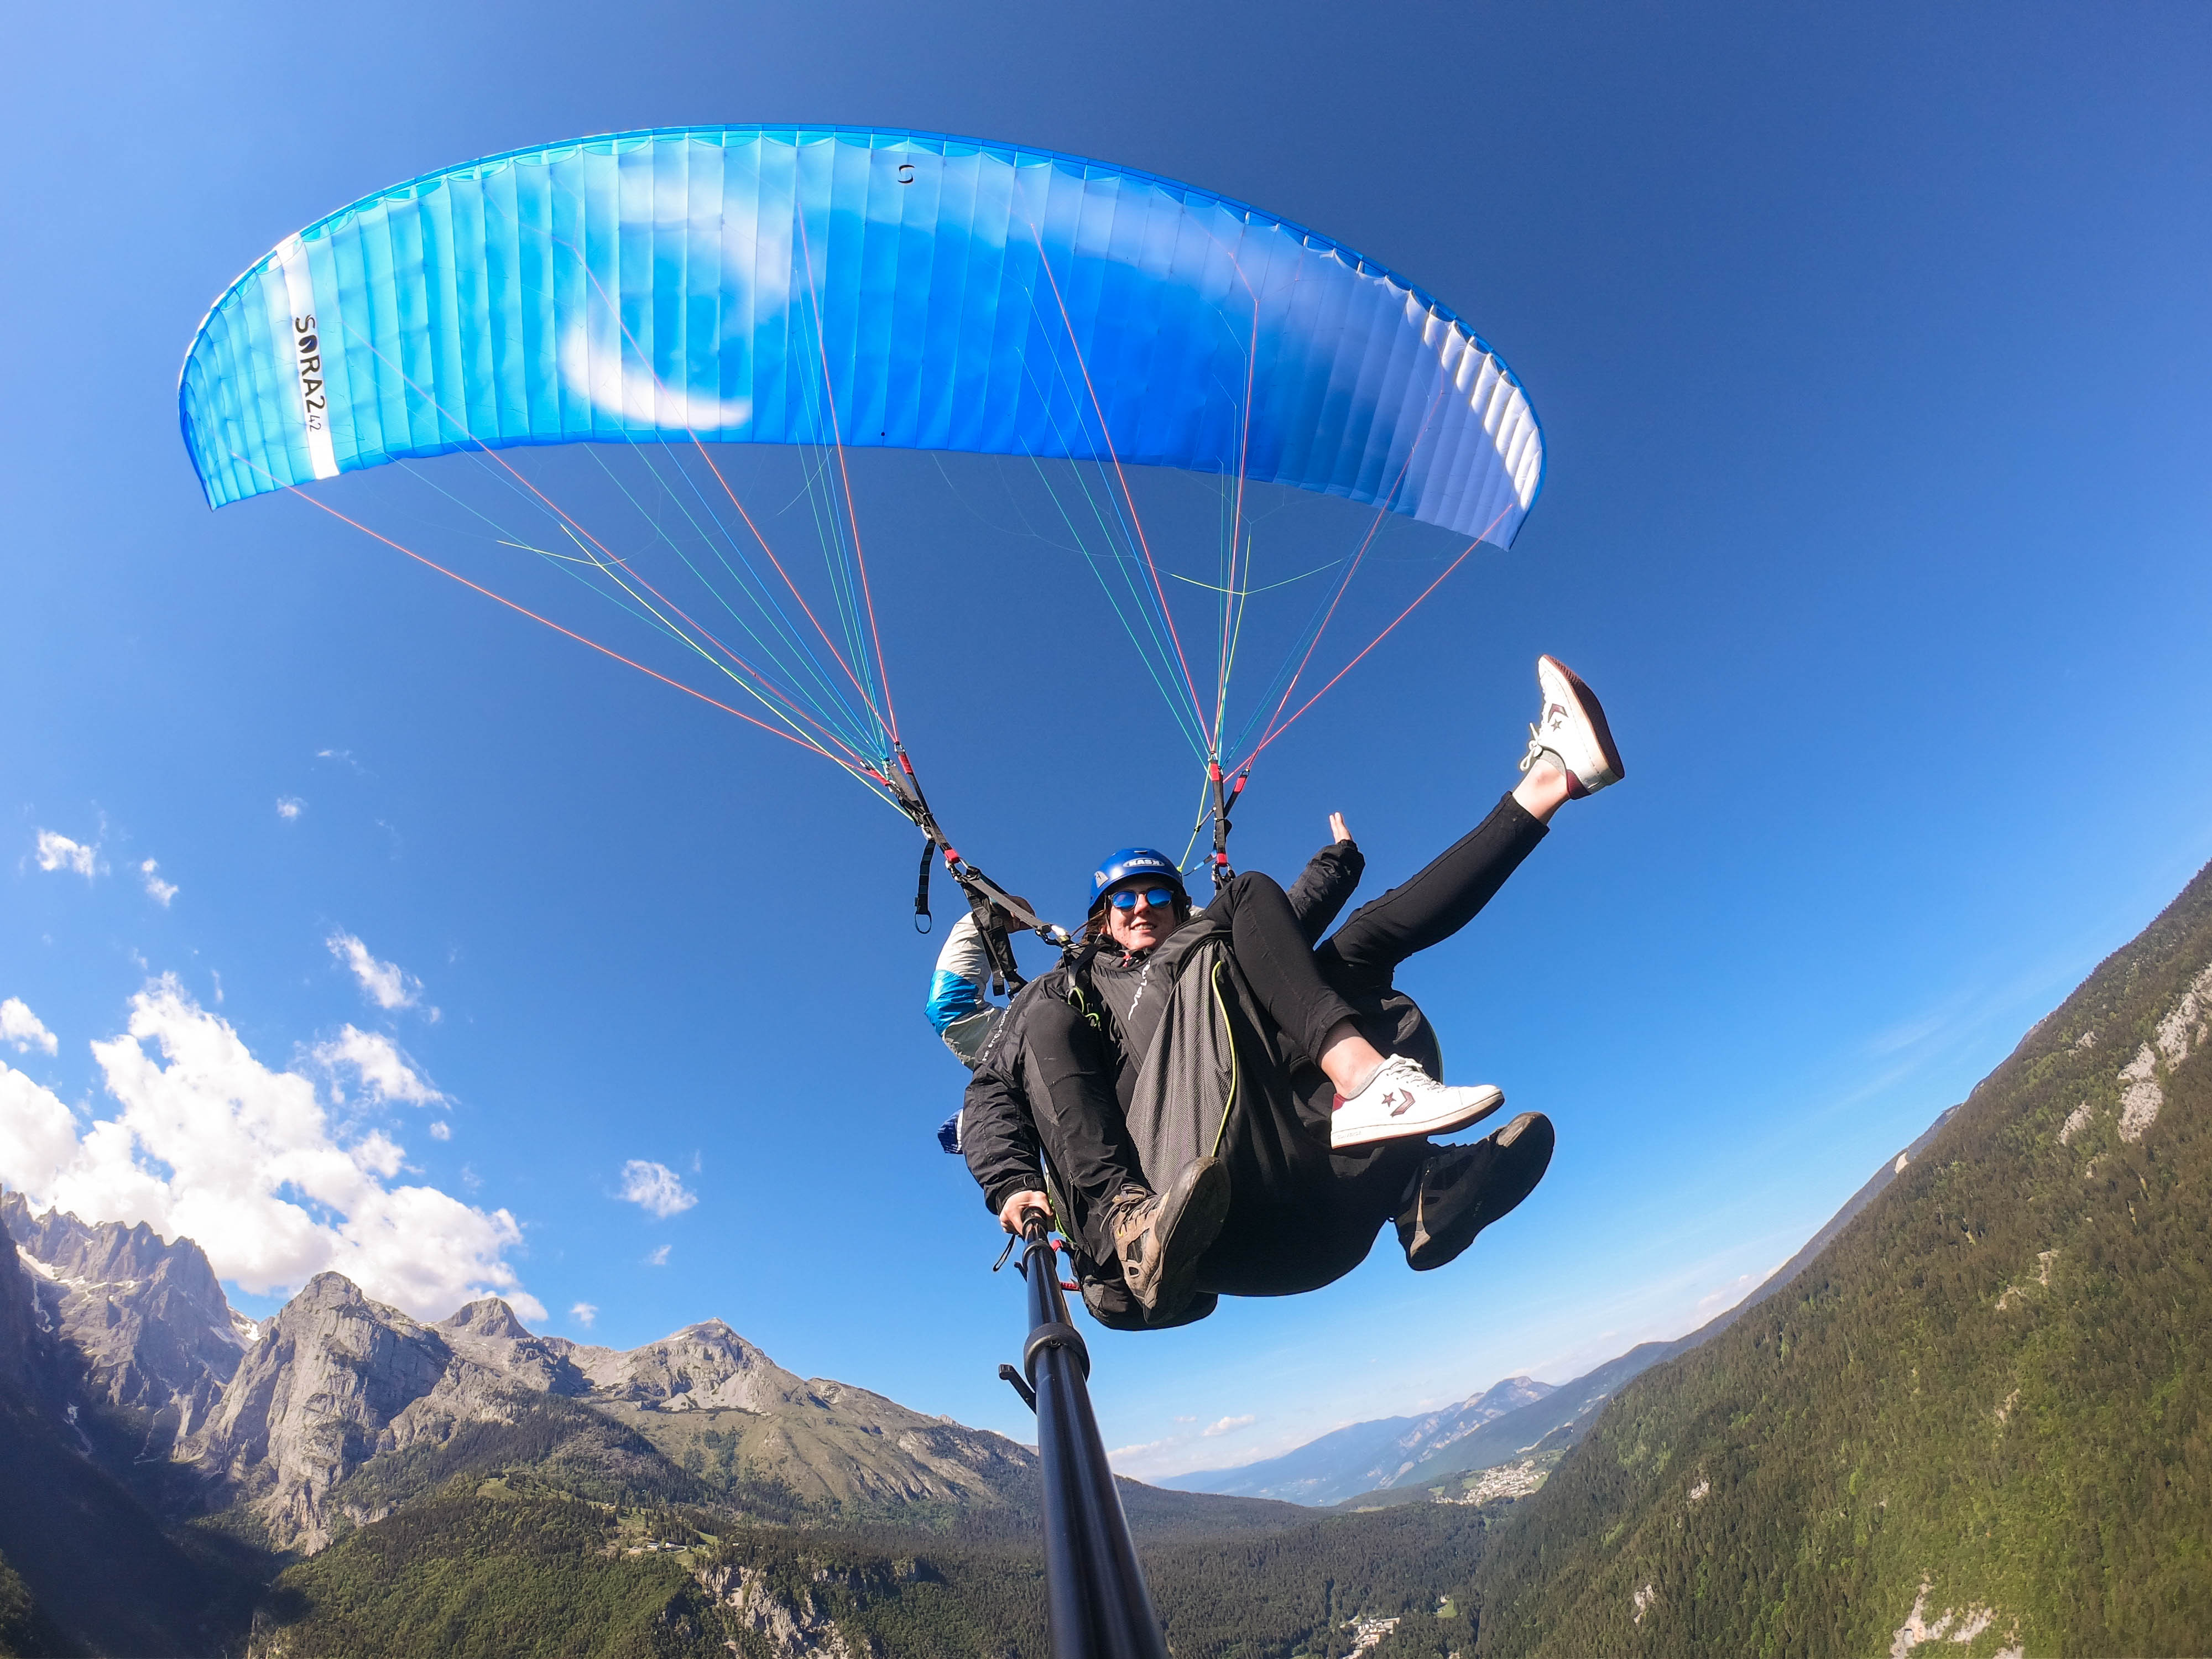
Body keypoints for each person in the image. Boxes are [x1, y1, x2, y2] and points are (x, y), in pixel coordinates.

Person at [963, 655, 1625, 1326]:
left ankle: (1549, 786)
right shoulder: (1077, 990)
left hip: (1319, 1212)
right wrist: (1011, 1184)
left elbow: (1279, 930)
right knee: (1050, 1010)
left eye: (1157, 893)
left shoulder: (1202, 957)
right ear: (1100, 919)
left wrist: (1338, 866)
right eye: (1122, 899)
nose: (1141, 907)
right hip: (1179, 1209)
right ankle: (1132, 1218)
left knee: (1349, 951)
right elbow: (990, 1091)